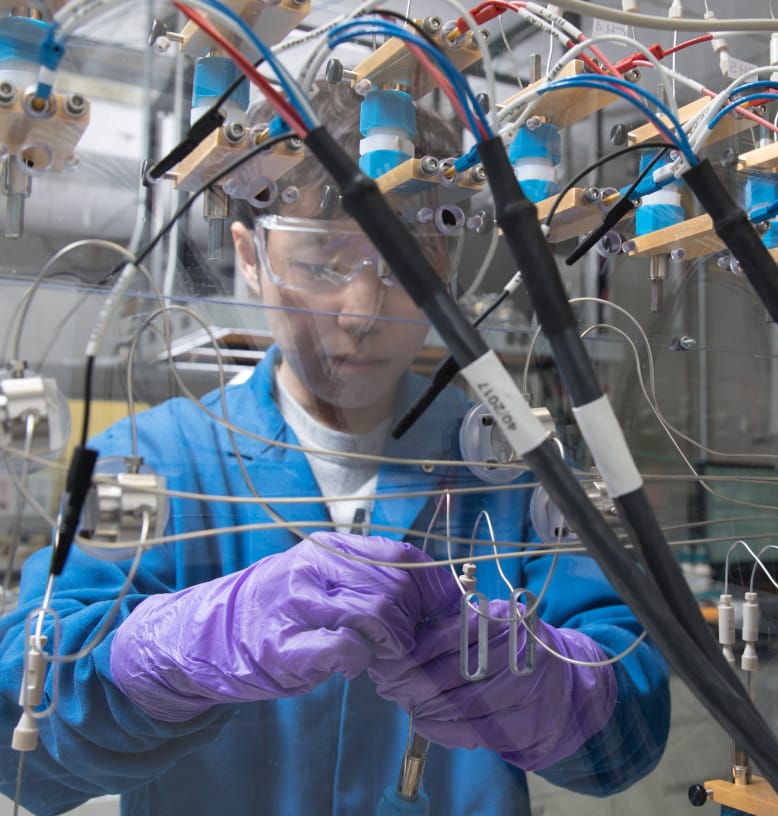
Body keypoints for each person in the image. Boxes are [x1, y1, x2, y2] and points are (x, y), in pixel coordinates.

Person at [0, 82, 670, 815]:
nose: (363, 312)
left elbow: (630, 733)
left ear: (446, 265)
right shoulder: (149, 459)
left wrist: (543, 687)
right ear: (249, 254)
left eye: (406, 267)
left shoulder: (512, 464)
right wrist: (175, 654)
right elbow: (23, 737)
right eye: (323, 264)